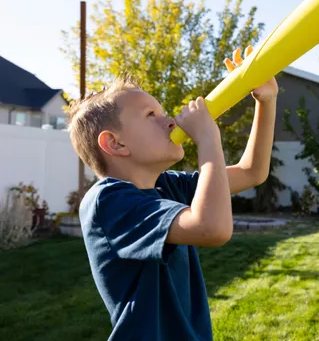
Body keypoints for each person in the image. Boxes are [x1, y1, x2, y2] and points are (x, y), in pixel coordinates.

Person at [68, 45, 278, 340]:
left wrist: (266, 102)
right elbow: (212, 228)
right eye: (151, 114)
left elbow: (252, 172)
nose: (170, 121)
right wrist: (207, 138)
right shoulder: (108, 201)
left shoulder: (167, 185)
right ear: (115, 144)